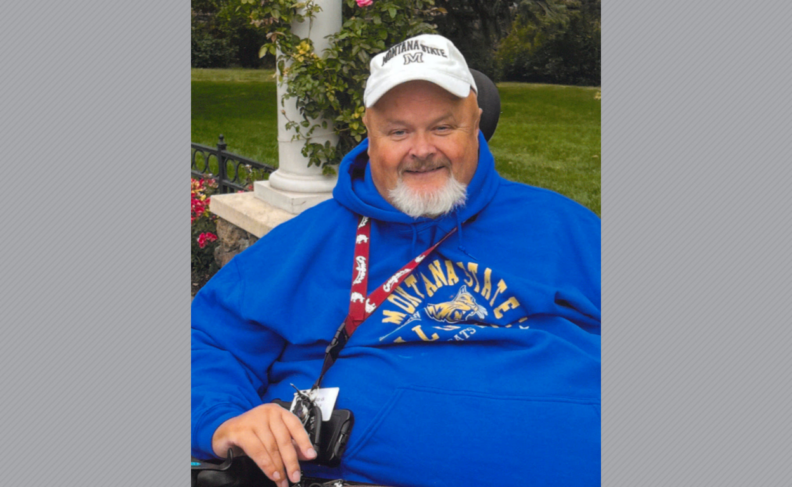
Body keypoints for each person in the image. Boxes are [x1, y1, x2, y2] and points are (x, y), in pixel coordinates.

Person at [192, 34, 600, 487]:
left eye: (443, 127)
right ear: (369, 135)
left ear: (476, 121)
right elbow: (206, 341)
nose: (422, 149)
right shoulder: (307, 242)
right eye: (399, 131)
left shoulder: (561, 225)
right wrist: (221, 419)